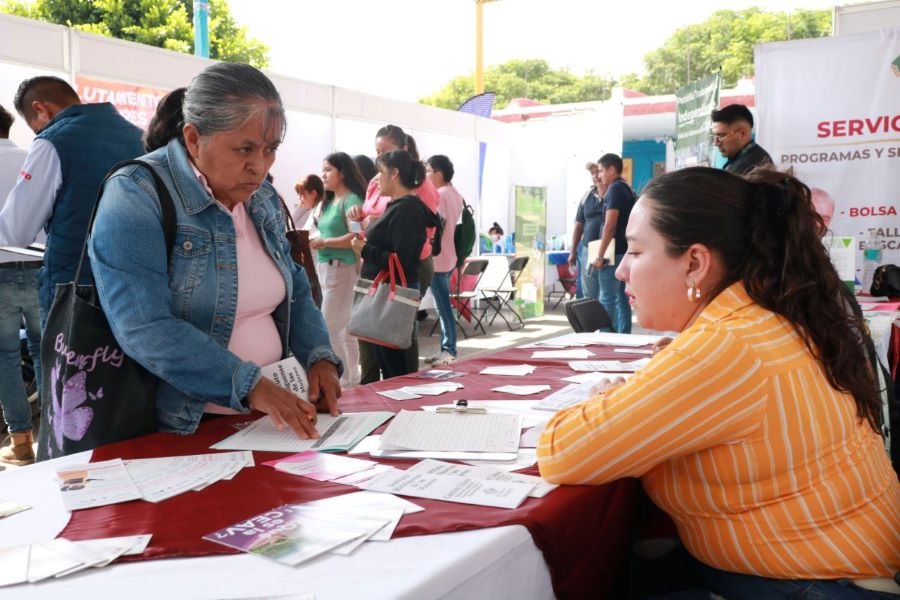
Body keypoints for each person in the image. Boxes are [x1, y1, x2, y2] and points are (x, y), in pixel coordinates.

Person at [538, 167, 900, 598]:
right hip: (827, 569)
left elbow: (563, 452)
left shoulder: (730, 343)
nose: (620, 271)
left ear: (695, 263)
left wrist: (611, 393)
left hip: (817, 585)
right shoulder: (762, 313)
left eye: (634, 252)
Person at [88, 62, 343, 440]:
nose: (259, 166)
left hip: (269, 421)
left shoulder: (264, 199)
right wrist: (250, 385)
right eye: (244, 149)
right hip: (181, 425)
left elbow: (295, 287)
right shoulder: (135, 195)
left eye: (270, 149)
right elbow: (144, 325)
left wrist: (318, 356)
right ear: (193, 139)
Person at [0, 76, 144, 316]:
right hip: (133, 285)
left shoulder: (53, 140)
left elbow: (16, 231)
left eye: (34, 126)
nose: (38, 132)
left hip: (76, 291)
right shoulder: (139, 136)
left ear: (40, 109)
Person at [347, 124, 440, 382]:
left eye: (384, 155)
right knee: (379, 343)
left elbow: (402, 258)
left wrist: (365, 247)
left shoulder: (409, 206)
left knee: (395, 347)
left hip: (395, 279)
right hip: (385, 277)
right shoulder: (398, 202)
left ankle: (400, 393)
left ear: (396, 171)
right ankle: (382, 390)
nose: (378, 176)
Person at [0, 104, 41, 466]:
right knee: (49, 355)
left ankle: (22, 443)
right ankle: (57, 436)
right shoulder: (32, 158)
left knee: (6, 359)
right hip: (42, 266)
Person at [309, 152, 367, 388]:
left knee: (330, 328)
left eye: (328, 169)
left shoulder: (351, 200)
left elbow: (355, 236)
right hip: (328, 268)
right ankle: (352, 378)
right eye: (323, 170)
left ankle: (343, 380)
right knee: (344, 330)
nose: (323, 174)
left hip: (341, 267)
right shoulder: (330, 200)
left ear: (342, 172)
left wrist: (324, 242)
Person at [425, 154, 465, 366]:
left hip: (438, 258)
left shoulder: (439, 194)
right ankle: (446, 348)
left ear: (438, 174)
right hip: (449, 257)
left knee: (443, 307)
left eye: (428, 171)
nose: (425, 175)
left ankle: (449, 349)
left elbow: (434, 226)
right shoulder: (455, 194)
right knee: (443, 305)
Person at [591, 153, 635, 333]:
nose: (599, 175)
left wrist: (600, 255)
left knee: (607, 297)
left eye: (601, 171)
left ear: (611, 169)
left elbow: (610, 225)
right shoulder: (625, 188)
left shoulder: (616, 190)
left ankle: (605, 337)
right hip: (623, 250)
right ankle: (623, 335)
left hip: (613, 252)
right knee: (621, 298)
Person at [569, 161, 606, 301]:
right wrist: (572, 251)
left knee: (607, 293)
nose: (596, 176)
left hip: (610, 249)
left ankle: (607, 323)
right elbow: (579, 224)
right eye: (592, 173)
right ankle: (592, 322)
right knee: (589, 292)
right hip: (587, 248)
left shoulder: (614, 192)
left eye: (598, 171)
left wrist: (604, 195)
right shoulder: (587, 195)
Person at [710, 104, 773, 176]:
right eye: (714, 136)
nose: (716, 143)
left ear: (742, 133)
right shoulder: (752, 156)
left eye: (721, 136)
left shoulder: (748, 168)